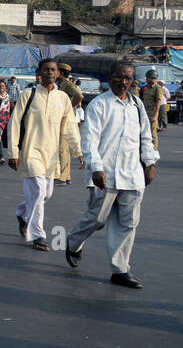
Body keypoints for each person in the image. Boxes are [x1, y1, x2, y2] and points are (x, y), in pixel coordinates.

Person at [65, 61, 158, 289]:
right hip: (105, 174)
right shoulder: (99, 105)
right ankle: (73, 242)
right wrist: (96, 167)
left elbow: (146, 137)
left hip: (133, 174)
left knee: (128, 223)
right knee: (97, 219)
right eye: (119, 77)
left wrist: (150, 163)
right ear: (110, 78)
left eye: (128, 78)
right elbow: (90, 140)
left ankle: (120, 269)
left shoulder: (136, 105)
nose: (123, 82)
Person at [6, 58, 82, 251]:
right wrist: (13, 152)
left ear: (58, 74)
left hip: (51, 155)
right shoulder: (28, 94)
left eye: (53, 70)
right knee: (38, 191)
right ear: (39, 73)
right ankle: (38, 235)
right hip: (30, 151)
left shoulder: (63, 98)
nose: (50, 73)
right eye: (46, 70)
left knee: (45, 193)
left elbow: (70, 126)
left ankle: (22, 213)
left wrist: (78, 151)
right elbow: (14, 123)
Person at [139, 69, 162, 150]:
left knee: (153, 133)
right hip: (145, 112)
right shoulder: (147, 88)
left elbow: (159, 101)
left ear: (153, 78)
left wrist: (155, 116)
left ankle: (154, 150)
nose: (146, 79)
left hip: (152, 113)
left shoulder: (157, 88)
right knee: (144, 132)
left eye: (148, 78)